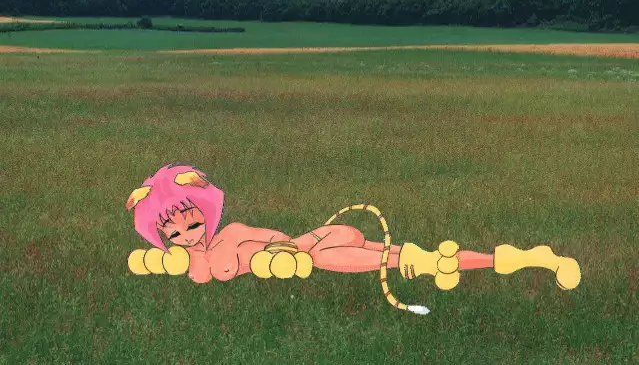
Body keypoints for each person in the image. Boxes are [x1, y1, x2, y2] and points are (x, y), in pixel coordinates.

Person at [126, 163, 581, 315]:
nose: (188, 235)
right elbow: (169, 264)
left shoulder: (232, 233)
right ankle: (522, 258)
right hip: (315, 246)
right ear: (161, 236)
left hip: (310, 246)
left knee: (377, 257)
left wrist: (280, 251)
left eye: (192, 223)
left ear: (205, 210)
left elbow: (278, 238)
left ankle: (434, 262)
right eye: (175, 232)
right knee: (407, 256)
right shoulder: (183, 261)